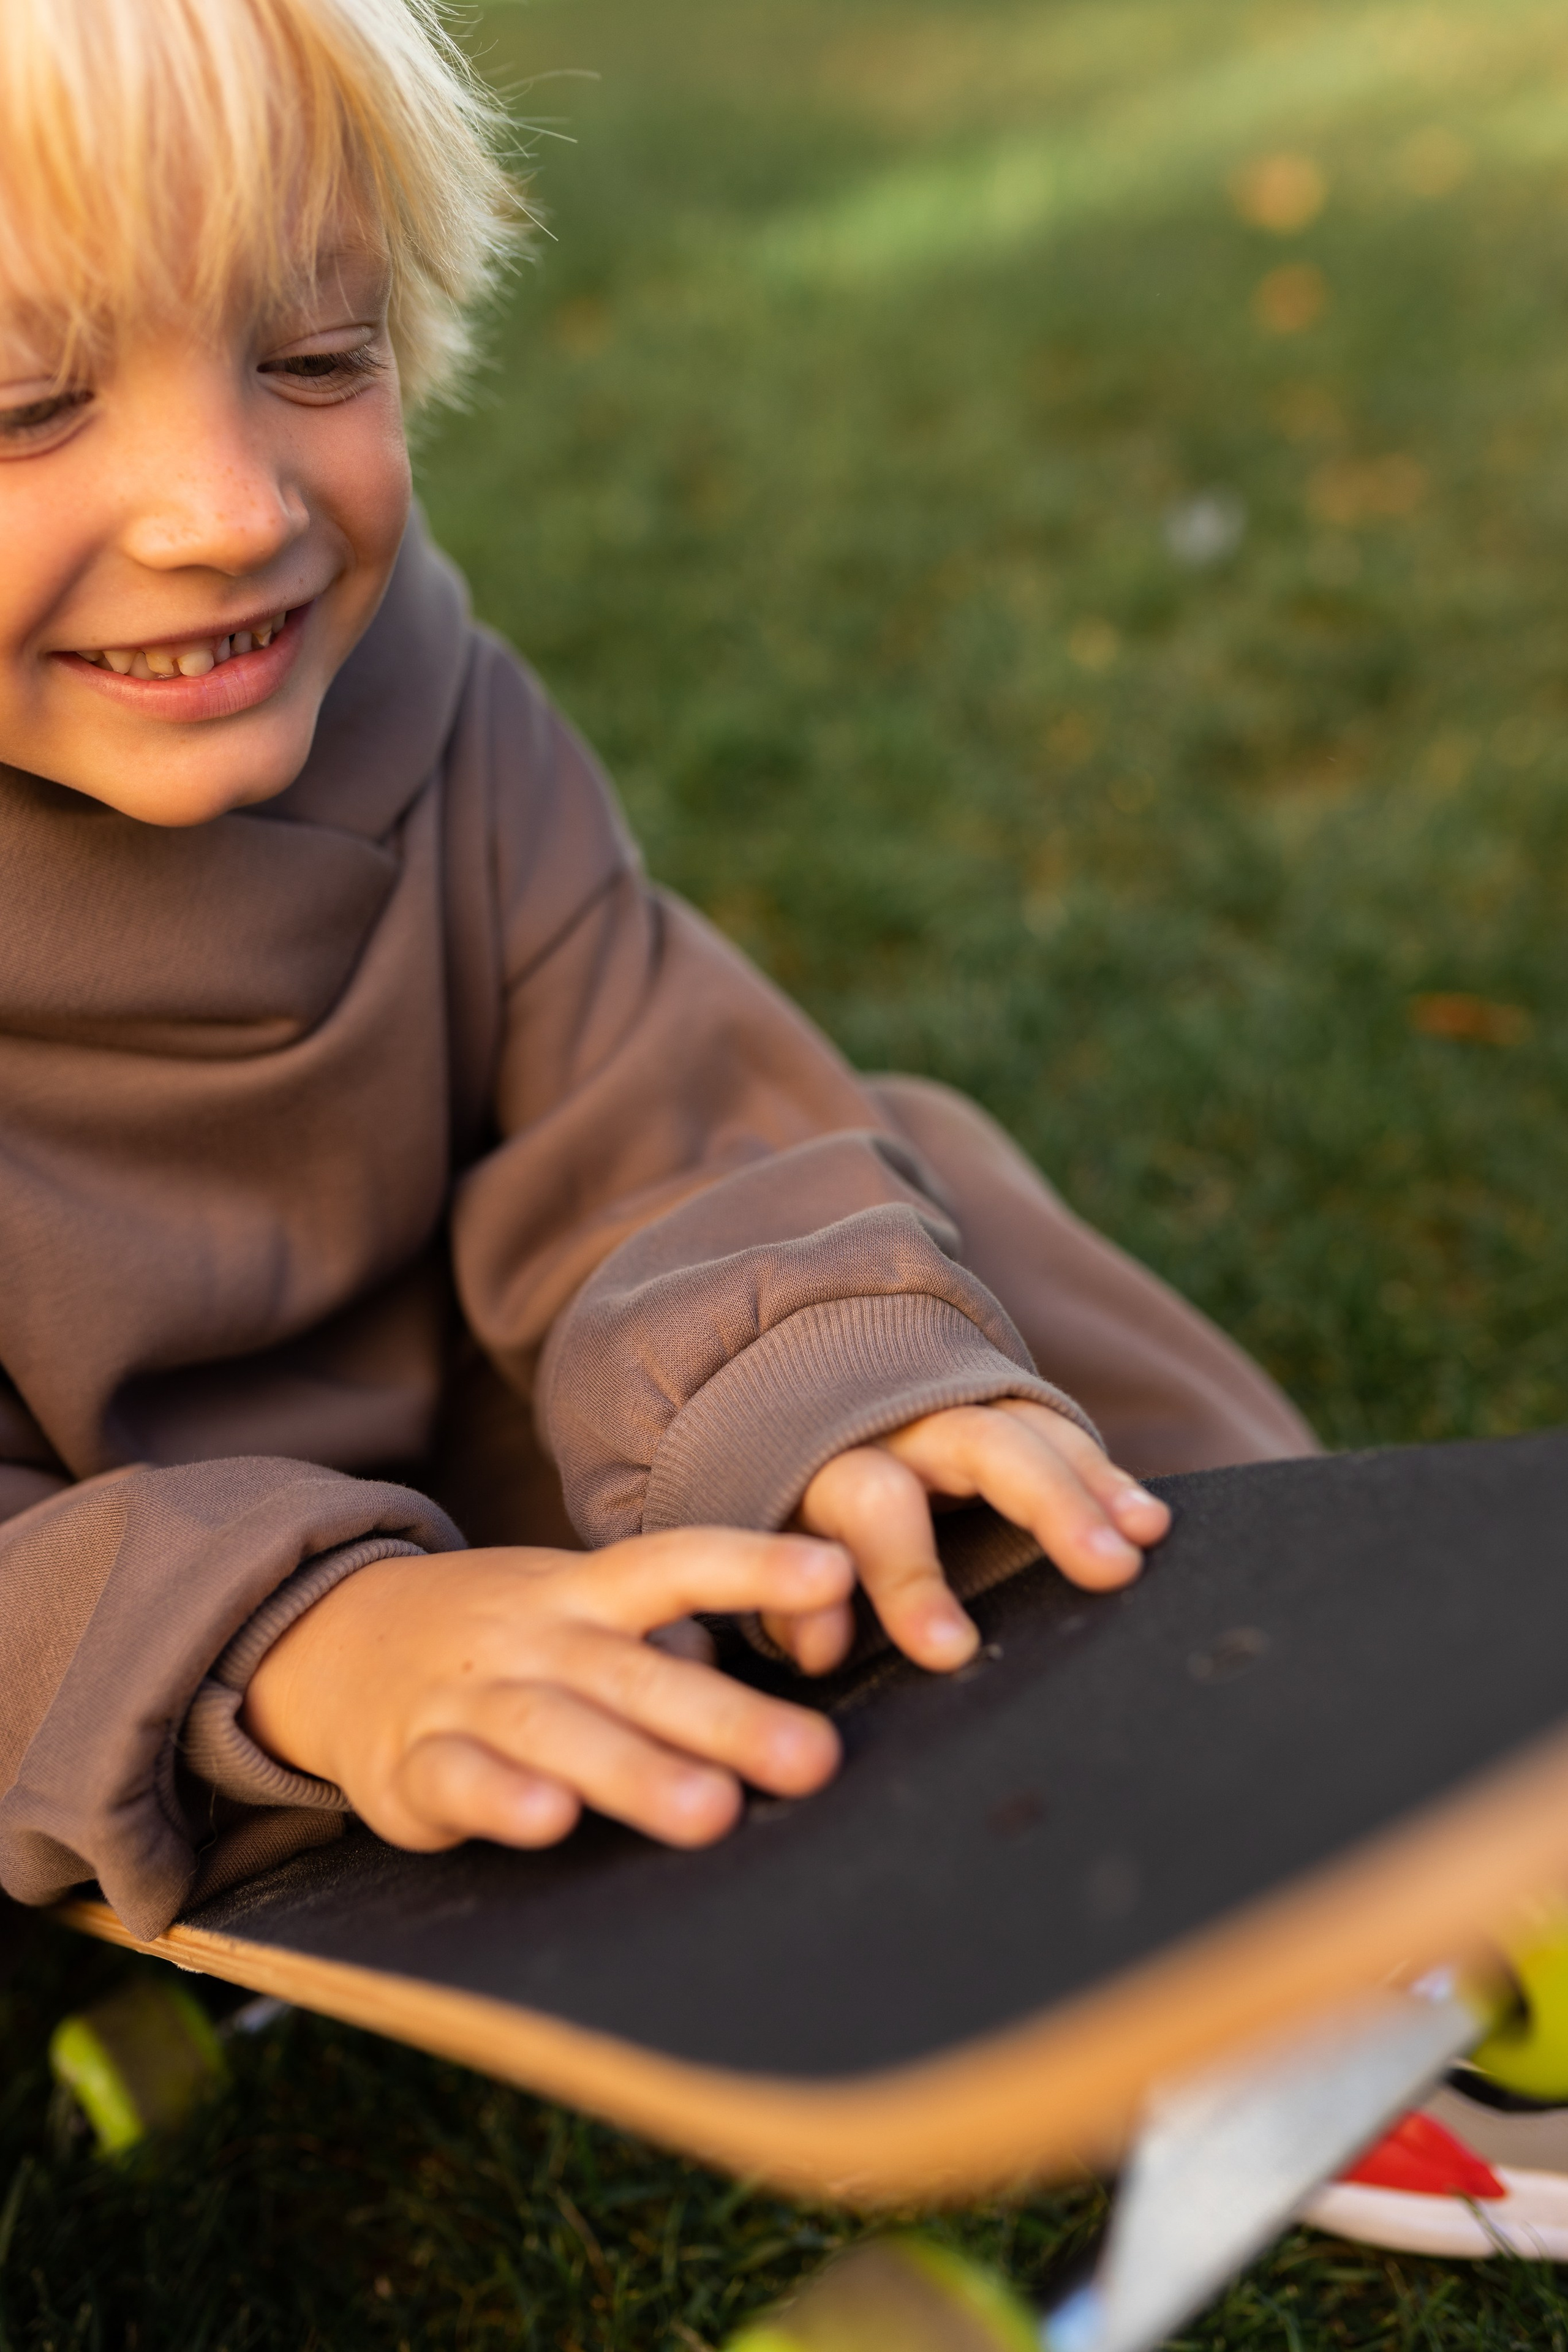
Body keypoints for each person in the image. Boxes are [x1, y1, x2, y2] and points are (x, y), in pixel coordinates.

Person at [0, 0, 1312, 1950]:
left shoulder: (422, 709)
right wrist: (309, 1643)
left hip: (497, 1498)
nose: (234, 513)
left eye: (316, 356)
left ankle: (1312, 1690)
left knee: (890, 1192)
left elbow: (646, 1093)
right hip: (96, 1665)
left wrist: (828, 1395)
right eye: (27, 409)